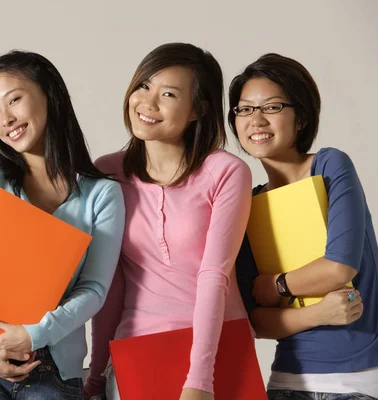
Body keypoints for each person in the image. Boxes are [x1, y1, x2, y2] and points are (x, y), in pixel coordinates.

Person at [0, 50, 125, 400]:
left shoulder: (102, 194)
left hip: (52, 367)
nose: (5, 118)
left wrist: (35, 334)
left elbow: (93, 290)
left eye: (15, 100)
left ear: (50, 96)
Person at [85, 42, 252, 400]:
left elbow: (214, 276)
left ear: (198, 109)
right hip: (138, 351)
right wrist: (97, 373)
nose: (148, 102)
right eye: (144, 85)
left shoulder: (225, 172)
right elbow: (111, 281)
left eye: (169, 94)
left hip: (219, 353)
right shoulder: (107, 172)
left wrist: (200, 379)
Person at [230, 53, 378, 400]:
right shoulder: (247, 200)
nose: (256, 119)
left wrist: (272, 286)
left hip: (360, 381)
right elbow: (256, 321)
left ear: (301, 117)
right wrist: (320, 312)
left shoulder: (330, 166)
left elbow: (338, 267)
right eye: (244, 109)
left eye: (271, 107)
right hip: (287, 381)